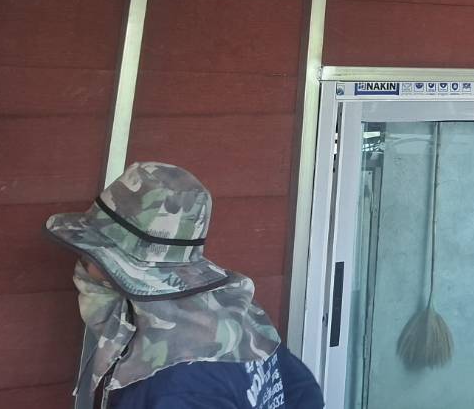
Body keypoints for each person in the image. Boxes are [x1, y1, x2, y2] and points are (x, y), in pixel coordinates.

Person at [44, 161, 324, 409]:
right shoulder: (236, 313)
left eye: (91, 254)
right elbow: (303, 391)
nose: (82, 264)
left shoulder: (172, 383)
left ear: (115, 272)